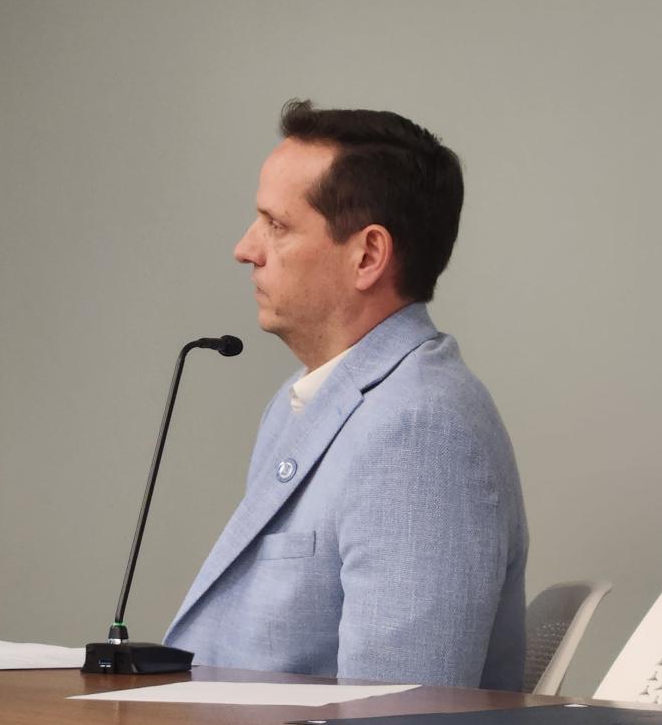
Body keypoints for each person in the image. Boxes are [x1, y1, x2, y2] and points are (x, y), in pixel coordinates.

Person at [165, 100, 528, 690]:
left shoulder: (421, 429)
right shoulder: (303, 400)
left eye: (276, 225)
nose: (245, 248)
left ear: (367, 256)